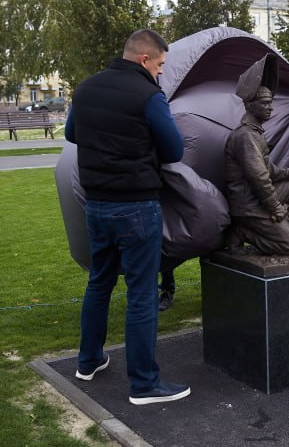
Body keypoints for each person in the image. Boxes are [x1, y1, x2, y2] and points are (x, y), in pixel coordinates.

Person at [65, 29, 192, 405]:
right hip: (137, 207)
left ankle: (88, 361)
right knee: (141, 294)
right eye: (160, 64)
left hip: (96, 205)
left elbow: (72, 134)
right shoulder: (149, 96)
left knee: (99, 283)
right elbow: (175, 150)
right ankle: (144, 384)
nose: (161, 72)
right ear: (144, 59)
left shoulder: (85, 89)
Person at [225, 54, 289, 255]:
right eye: (265, 103)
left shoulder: (255, 133)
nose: (270, 108)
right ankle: (242, 232)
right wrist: (275, 208)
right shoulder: (246, 136)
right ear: (250, 105)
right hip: (247, 204)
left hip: (255, 197)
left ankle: (277, 226)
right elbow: (259, 178)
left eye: (271, 102)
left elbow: (267, 169)